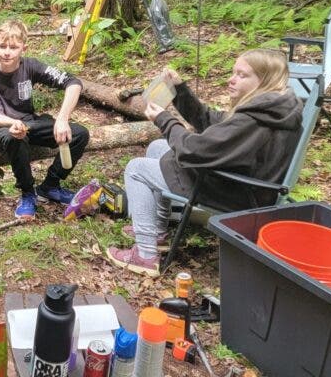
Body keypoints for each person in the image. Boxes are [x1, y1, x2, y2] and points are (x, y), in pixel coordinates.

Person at [108, 49, 304, 277]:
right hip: (243, 181)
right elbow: (212, 121)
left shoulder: (254, 121)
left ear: (264, 81)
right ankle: (157, 231)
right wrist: (180, 91)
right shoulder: (273, 107)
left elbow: (193, 150)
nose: (231, 79)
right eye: (233, 72)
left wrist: (164, 120)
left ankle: (145, 255)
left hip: (233, 190)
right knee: (157, 148)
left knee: (136, 169)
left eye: (242, 75)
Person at [0, 19, 90, 220]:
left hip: (29, 122)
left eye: (13, 47)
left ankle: (50, 185)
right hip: (0, 126)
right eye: (2, 46)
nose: (7, 52)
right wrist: (13, 124)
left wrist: (62, 119)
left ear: (23, 48)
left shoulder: (30, 66)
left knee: (79, 133)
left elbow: (73, 82)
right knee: (15, 138)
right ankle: (28, 193)